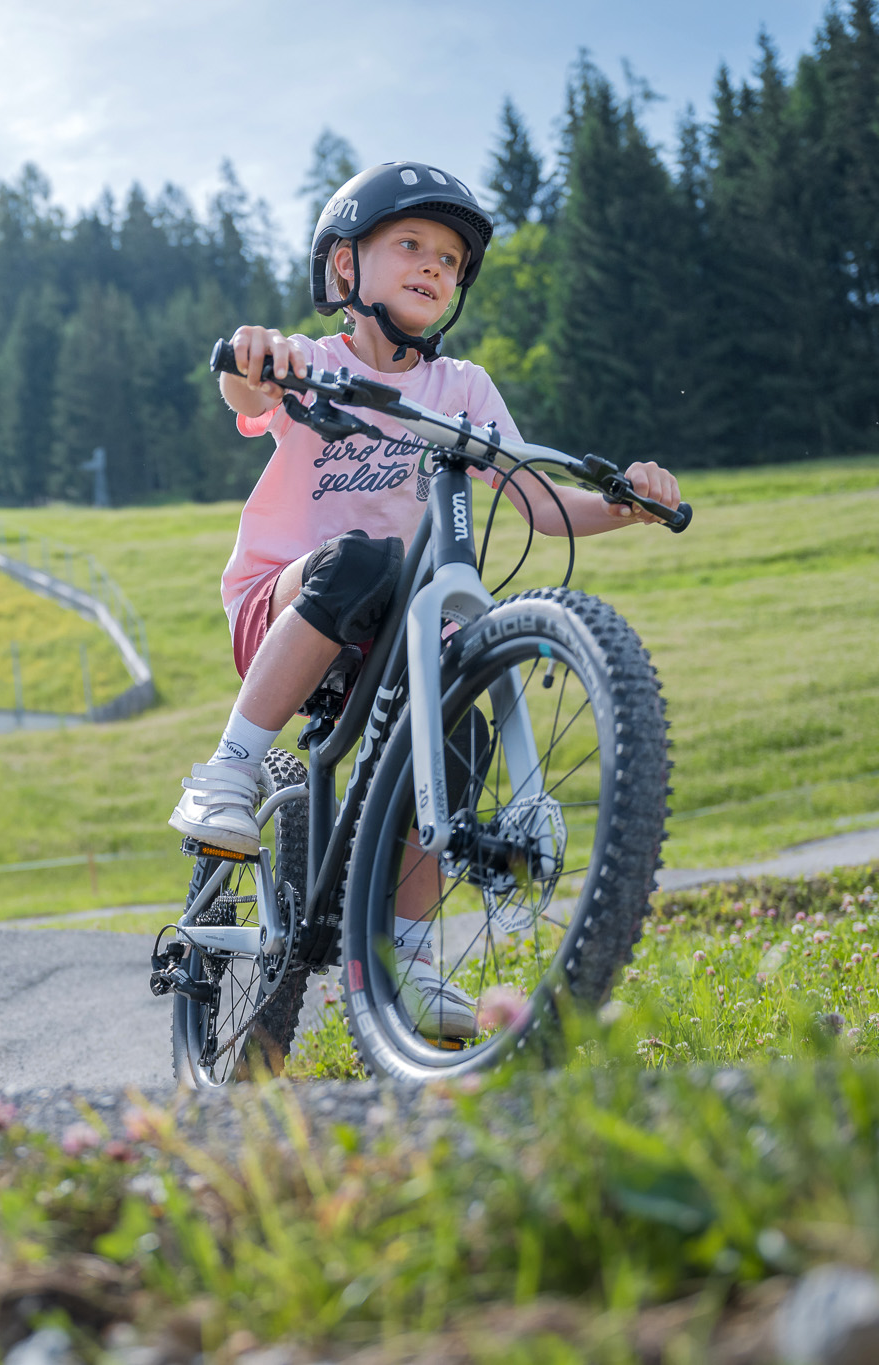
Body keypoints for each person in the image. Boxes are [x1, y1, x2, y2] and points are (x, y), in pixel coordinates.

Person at [167, 160, 684, 1039]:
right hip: (285, 607)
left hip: (398, 634)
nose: (432, 267)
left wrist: (626, 504)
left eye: (449, 259)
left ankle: (402, 957)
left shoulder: (464, 390)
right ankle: (229, 771)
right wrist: (258, 359)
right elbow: (245, 392)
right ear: (344, 269)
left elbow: (538, 502)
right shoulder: (316, 363)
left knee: (457, 724)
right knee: (364, 560)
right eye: (409, 244)